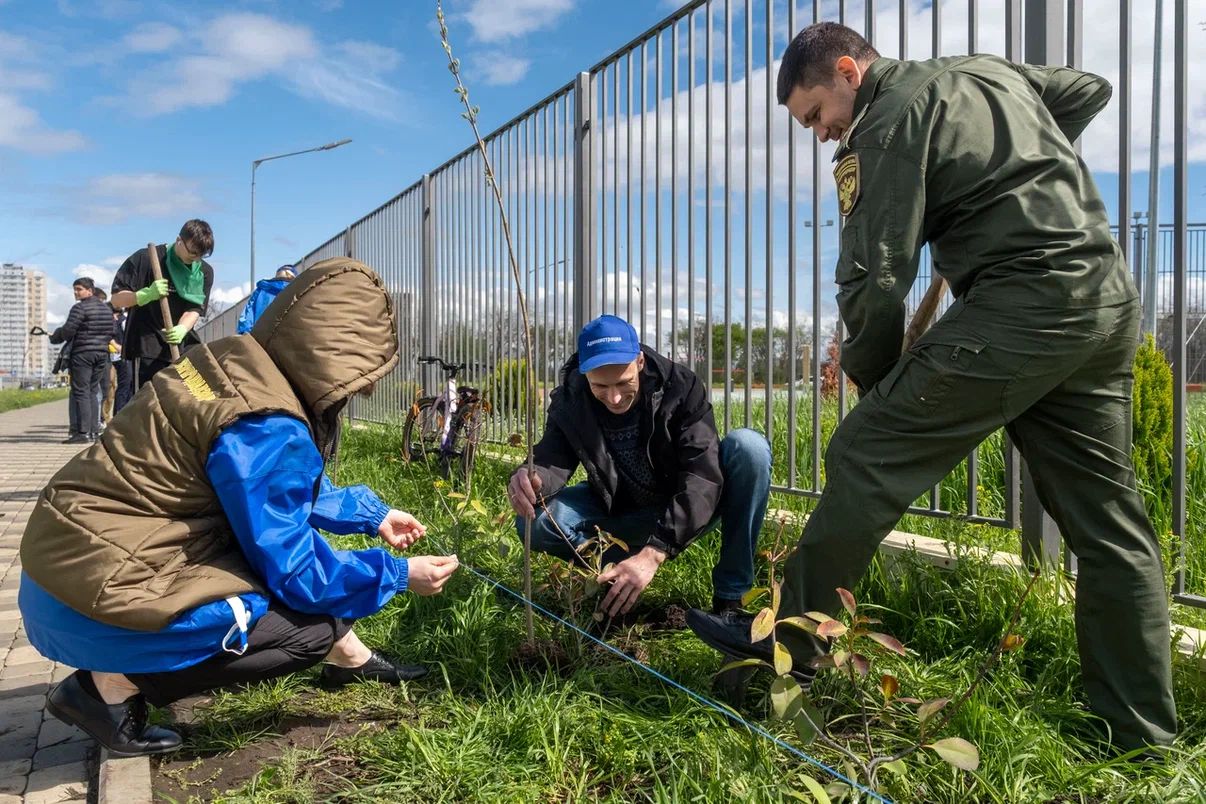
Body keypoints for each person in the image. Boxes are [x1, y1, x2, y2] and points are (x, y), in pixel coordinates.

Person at [685, 22, 1176, 755]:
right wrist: (1013, 165)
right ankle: (1140, 737)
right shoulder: (987, 72)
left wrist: (876, 381)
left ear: (848, 71)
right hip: (1102, 299)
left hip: (1022, 304)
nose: (821, 134)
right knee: (1109, 525)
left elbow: (873, 279)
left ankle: (789, 642)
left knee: (862, 452)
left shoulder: (882, 126)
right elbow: (1085, 90)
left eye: (816, 115)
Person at [20, 258, 460, 757]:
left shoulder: (230, 363)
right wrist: (397, 574)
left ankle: (348, 655)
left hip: (61, 567)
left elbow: (268, 487)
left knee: (274, 569)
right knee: (305, 630)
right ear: (335, 360)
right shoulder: (267, 424)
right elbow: (296, 570)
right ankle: (106, 689)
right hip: (91, 601)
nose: (364, 390)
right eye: (362, 376)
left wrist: (371, 515)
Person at [507, 314, 771, 620]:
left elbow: (702, 475)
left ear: (640, 362)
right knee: (535, 521)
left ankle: (730, 600)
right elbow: (553, 456)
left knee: (749, 449)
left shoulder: (680, 388)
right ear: (585, 373)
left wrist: (654, 552)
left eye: (624, 382)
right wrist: (532, 475)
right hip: (620, 509)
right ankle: (612, 578)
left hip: (684, 506)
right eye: (600, 386)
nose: (614, 397)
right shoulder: (572, 397)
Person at [111, 219, 215, 388]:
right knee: (149, 399)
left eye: (200, 255)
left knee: (193, 393)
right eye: (192, 252)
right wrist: (144, 295)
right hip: (147, 346)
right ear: (179, 240)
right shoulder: (145, 259)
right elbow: (116, 299)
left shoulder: (204, 272)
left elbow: (195, 308)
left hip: (182, 344)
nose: (196, 259)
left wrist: (182, 328)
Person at [48, 278, 112, 444]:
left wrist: (55, 336)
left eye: (79, 289)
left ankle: (82, 433)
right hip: (102, 354)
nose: (76, 292)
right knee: (92, 391)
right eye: (75, 289)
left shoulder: (80, 308)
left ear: (90, 291)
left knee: (81, 391)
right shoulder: (106, 309)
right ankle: (94, 431)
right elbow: (111, 331)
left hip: (83, 354)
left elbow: (68, 331)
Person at [237, 264, 297, 334]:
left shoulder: (261, 290)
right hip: (287, 335)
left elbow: (248, 314)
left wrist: (245, 332)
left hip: (260, 335)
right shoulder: (296, 291)